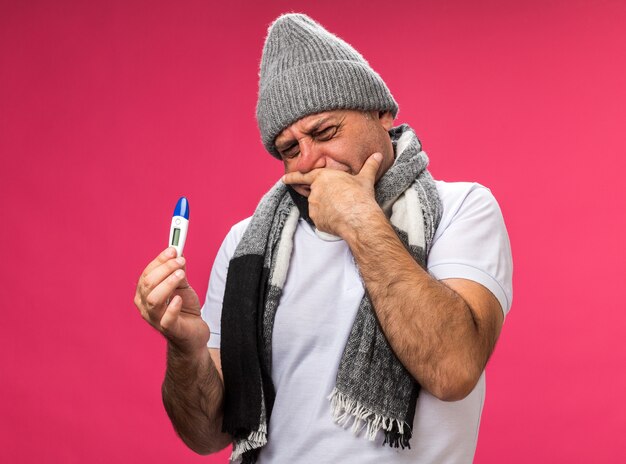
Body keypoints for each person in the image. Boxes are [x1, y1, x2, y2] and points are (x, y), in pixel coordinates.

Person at [134, 13, 513, 464]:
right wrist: (186, 347)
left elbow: (453, 369)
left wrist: (358, 218)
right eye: (290, 149)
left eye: (325, 132)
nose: (309, 161)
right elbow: (207, 436)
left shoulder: (463, 208)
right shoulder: (246, 247)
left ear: (381, 114)